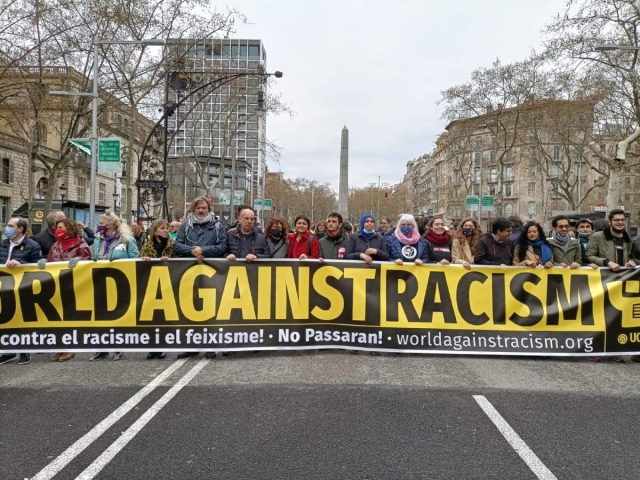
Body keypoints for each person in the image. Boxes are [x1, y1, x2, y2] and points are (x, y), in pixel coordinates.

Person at [174, 196, 227, 359]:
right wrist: (193, 251)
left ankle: (210, 345)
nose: (201, 210)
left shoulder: (218, 226)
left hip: (210, 273)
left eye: (204, 208)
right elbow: (177, 245)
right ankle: (191, 346)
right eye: (198, 208)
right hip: (189, 273)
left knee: (210, 310)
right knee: (189, 311)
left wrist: (203, 250)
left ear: (209, 209)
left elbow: (222, 247)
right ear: (193, 209)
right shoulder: (185, 226)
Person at [89, 213, 139, 361]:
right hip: (101, 283)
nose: (99, 225)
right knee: (101, 317)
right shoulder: (98, 240)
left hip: (121, 284)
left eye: (101, 222)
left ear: (110, 224)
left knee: (118, 316)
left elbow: (136, 259)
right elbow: (93, 259)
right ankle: (101, 348)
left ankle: (119, 347)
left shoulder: (127, 240)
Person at [586, 209, 633, 363]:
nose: (620, 222)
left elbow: (629, 257)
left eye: (622, 220)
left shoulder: (627, 239)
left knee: (617, 317)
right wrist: (607, 262)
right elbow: (589, 255)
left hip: (620, 281)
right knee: (599, 315)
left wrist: (630, 262)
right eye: (616, 220)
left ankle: (615, 349)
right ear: (610, 221)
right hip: (600, 280)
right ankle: (596, 349)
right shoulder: (598, 236)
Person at [45, 218, 93, 362]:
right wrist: (43, 262)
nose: (57, 230)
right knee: (58, 318)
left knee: (70, 317)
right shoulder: (56, 245)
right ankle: (60, 347)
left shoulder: (80, 242)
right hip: (58, 284)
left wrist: (79, 260)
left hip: (74, 284)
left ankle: (70, 348)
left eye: (61, 227)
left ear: (69, 228)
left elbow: (88, 259)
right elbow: (50, 261)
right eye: (56, 227)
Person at [0, 217, 43, 365]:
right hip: (4, 287)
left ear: (20, 229)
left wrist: (21, 264)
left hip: (23, 287)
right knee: (6, 317)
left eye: (11, 226)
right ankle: (8, 351)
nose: (7, 228)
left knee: (23, 318)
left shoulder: (32, 246)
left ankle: (24, 350)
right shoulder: (3, 244)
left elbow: (38, 266)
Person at [140, 219, 176, 360]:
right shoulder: (147, 246)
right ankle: (152, 346)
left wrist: (169, 260)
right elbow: (138, 262)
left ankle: (162, 346)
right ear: (155, 230)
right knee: (151, 318)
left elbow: (179, 262)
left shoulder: (172, 246)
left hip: (167, 285)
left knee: (163, 318)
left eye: (167, 228)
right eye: (162, 228)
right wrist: (144, 260)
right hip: (150, 285)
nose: (166, 230)